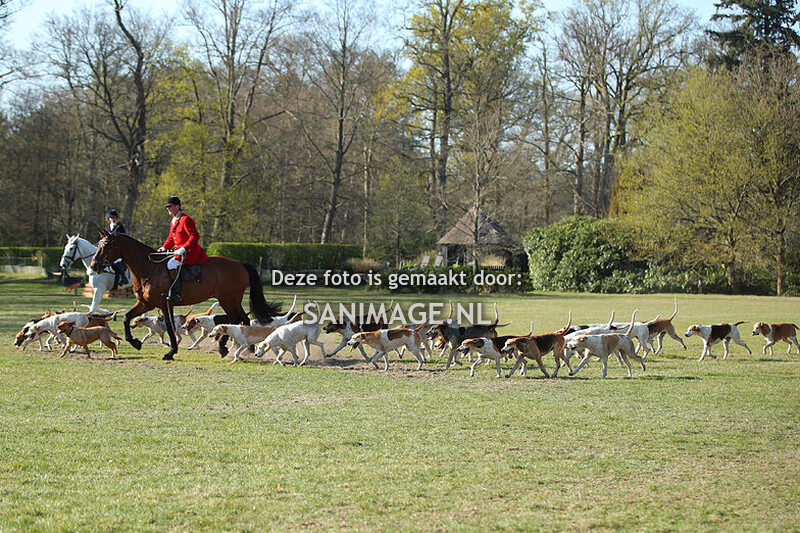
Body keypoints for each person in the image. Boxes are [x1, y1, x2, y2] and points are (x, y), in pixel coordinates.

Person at [158, 196, 209, 303]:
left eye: (170, 206)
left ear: (177, 206)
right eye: (167, 207)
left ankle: (176, 292)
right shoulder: (173, 221)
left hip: (190, 252)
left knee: (171, 264)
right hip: (179, 251)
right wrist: (164, 247)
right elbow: (171, 238)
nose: (168, 209)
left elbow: (195, 236)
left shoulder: (186, 219)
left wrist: (183, 249)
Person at [107, 209, 128, 289]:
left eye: (112, 217)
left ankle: (123, 278)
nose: (111, 219)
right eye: (110, 218)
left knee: (116, 261)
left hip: (119, 248)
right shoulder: (109, 226)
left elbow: (121, 238)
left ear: (115, 218)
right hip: (112, 248)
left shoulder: (120, 227)